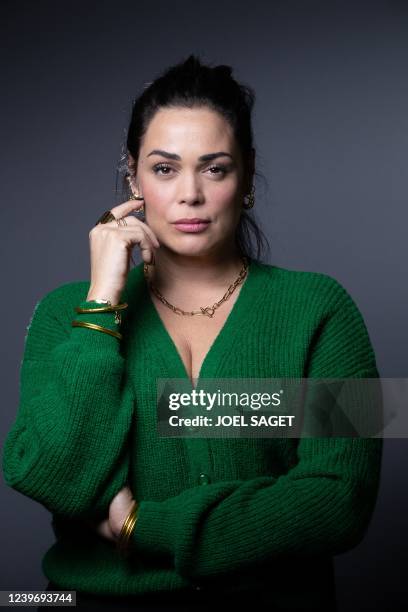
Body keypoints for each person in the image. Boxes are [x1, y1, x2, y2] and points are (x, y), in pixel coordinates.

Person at [2, 54, 382, 611]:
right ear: (132, 175)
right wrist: (102, 302)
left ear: (246, 175)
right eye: (164, 168)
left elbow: (339, 500)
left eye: (214, 168)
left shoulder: (321, 307)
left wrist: (142, 525)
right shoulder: (69, 314)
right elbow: (49, 475)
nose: (190, 194)